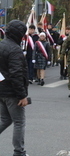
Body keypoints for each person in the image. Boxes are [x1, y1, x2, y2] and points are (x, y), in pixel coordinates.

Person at [0, 19, 29, 156]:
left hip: (1, 91)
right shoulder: (15, 50)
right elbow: (16, 74)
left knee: (5, 120)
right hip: (12, 93)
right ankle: (19, 152)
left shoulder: (1, 45)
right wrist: (22, 96)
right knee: (19, 122)